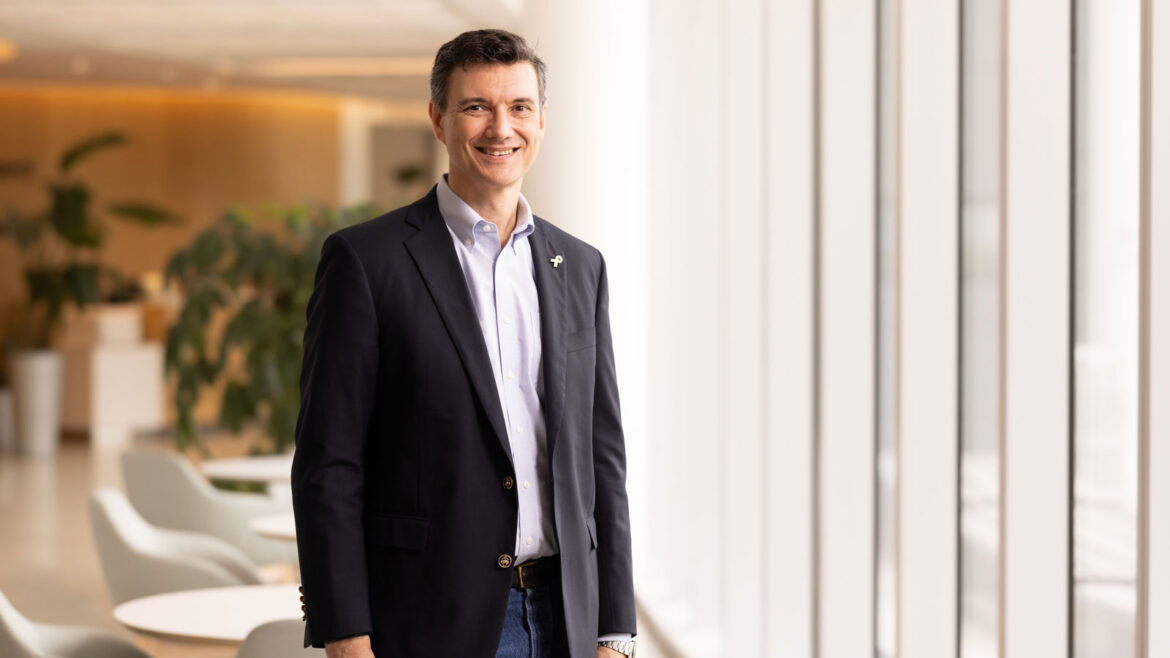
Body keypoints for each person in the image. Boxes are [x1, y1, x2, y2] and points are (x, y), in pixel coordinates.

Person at [291, 29, 637, 658]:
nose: (500, 128)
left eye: (520, 108)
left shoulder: (581, 266)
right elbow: (329, 465)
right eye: (477, 106)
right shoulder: (367, 263)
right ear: (438, 119)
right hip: (430, 616)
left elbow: (601, 460)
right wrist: (345, 634)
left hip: (569, 616)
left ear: (541, 120)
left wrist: (614, 629)